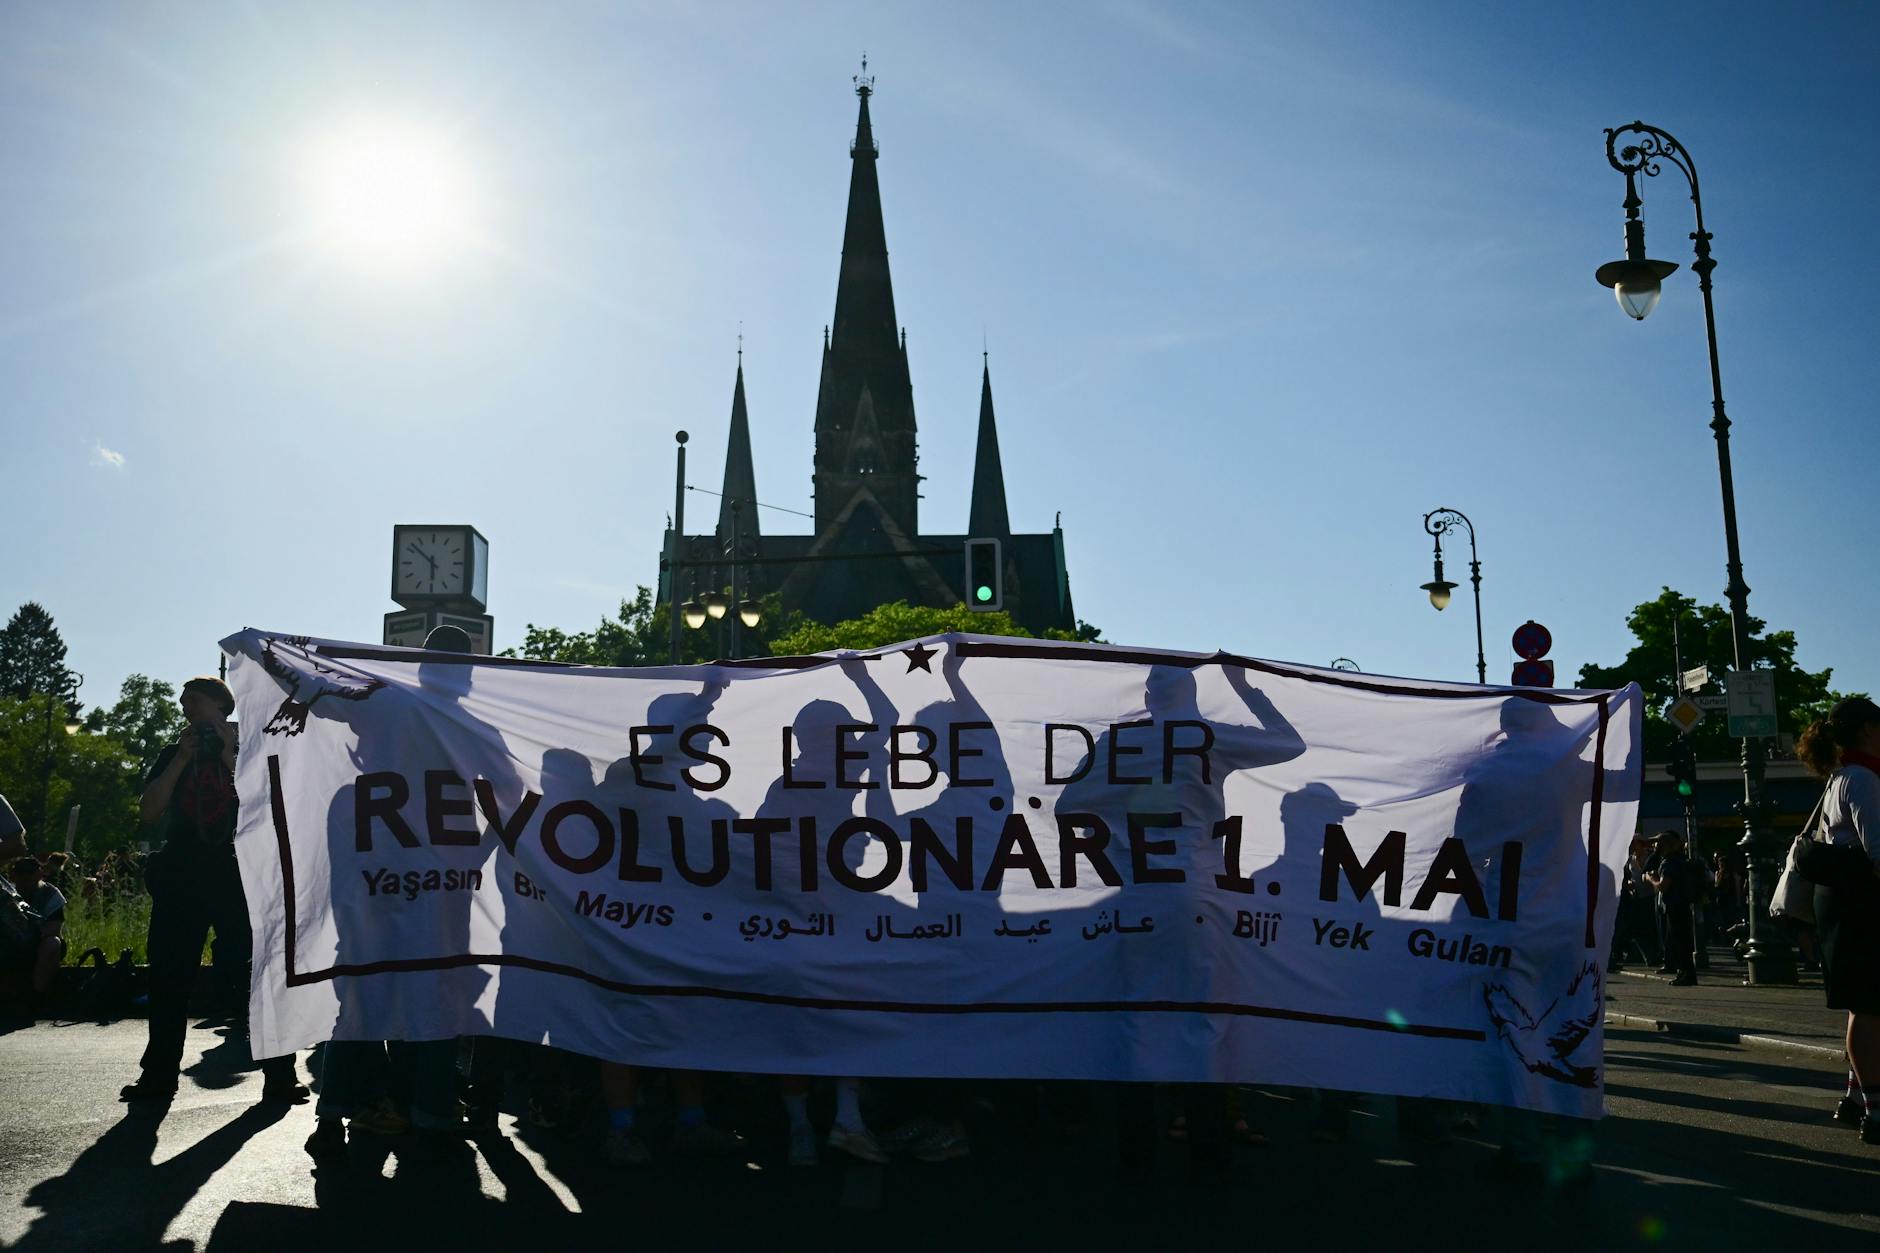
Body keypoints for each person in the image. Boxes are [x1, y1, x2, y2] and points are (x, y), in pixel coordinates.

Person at [120, 675, 308, 1105]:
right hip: (182, 874)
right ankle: (158, 1075)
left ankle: (281, 1074)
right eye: (184, 702)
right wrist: (180, 760)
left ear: (223, 706)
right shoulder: (174, 753)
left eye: (196, 701)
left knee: (251, 973)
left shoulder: (249, 749)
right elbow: (149, 813)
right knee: (169, 976)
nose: (187, 707)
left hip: (238, 872)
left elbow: (266, 802)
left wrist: (227, 754)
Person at [1796, 697, 1880, 1146]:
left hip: (1842, 903)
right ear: (1868, 729)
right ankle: (1875, 1108)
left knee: (1864, 1005)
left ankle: (1854, 1097)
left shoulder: (1840, 777)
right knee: (1869, 1006)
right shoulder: (1863, 779)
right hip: (1862, 903)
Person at [4, 856, 67, 1000]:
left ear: (39, 874)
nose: (25, 877)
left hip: (38, 941)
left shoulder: (51, 894)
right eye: (21, 873)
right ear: (13, 875)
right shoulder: (5, 893)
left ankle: (37, 996)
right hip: (8, 941)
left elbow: (54, 928)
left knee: (52, 943)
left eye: (29, 873)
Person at [1644, 830, 1698, 986]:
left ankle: (1685, 974)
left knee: (1679, 941)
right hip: (1683, 905)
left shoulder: (1668, 863)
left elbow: (1663, 886)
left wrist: (1651, 879)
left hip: (1675, 906)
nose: (1654, 845)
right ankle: (1685, 973)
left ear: (1664, 845)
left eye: (1657, 843)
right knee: (1682, 941)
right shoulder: (1680, 860)